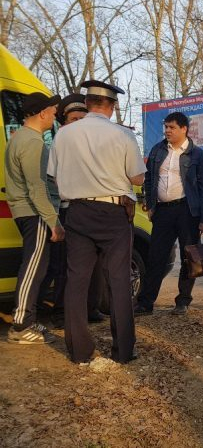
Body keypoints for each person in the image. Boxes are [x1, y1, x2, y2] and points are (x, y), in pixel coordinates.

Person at [48, 81, 146, 364]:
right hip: (113, 213)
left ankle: (79, 351)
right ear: (112, 106)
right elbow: (138, 177)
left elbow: (53, 175)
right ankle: (124, 350)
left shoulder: (64, 135)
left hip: (76, 211)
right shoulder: (122, 135)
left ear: (87, 103)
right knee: (117, 280)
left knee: (77, 281)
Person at [135, 111, 203, 316]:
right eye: (166, 127)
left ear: (184, 129)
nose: (167, 131)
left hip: (188, 211)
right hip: (163, 211)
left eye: (172, 127)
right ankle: (145, 303)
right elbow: (149, 179)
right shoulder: (157, 150)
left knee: (189, 257)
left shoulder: (197, 155)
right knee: (155, 257)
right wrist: (151, 205)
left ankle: (183, 301)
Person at [41, 93, 107, 328]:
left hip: (92, 209)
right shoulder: (55, 144)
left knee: (94, 264)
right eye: (73, 118)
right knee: (63, 265)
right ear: (63, 121)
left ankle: (91, 308)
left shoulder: (94, 144)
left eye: (82, 118)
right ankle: (60, 313)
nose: (78, 122)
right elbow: (49, 182)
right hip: (64, 211)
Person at [5, 92, 63, 344]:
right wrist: (54, 221)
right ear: (42, 113)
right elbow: (37, 187)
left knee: (37, 267)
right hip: (34, 213)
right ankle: (21, 326)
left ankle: (28, 320)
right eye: (53, 111)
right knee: (32, 268)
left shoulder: (19, 138)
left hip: (28, 211)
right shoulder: (32, 142)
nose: (54, 116)